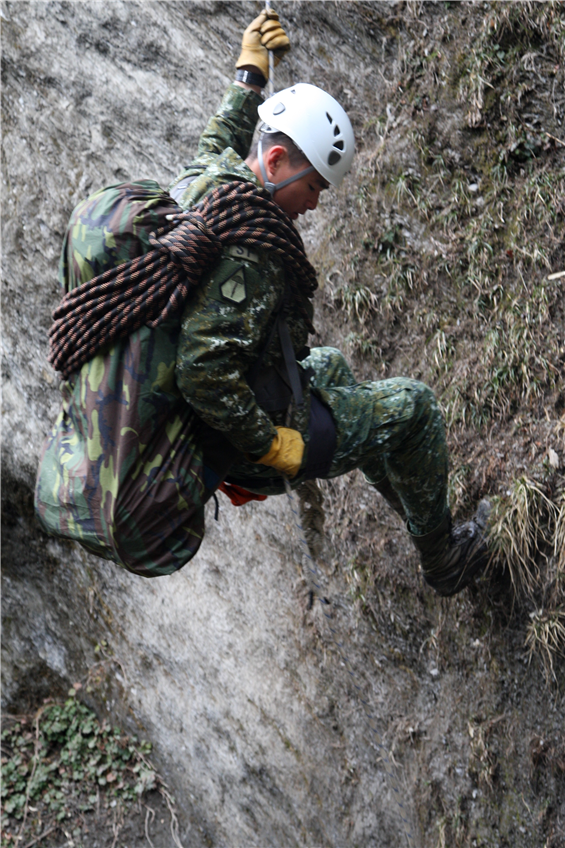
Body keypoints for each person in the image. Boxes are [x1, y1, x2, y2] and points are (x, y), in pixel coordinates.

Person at [36, 10, 490, 595]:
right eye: (313, 186)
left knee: (330, 369)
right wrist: (270, 446)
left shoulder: (204, 191)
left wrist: (249, 74)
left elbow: (215, 143)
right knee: (415, 409)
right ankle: (447, 561)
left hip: (190, 422)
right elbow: (204, 374)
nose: (315, 204)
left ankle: (408, 502)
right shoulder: (249, 251)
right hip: (240, 436)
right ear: (276, 163)